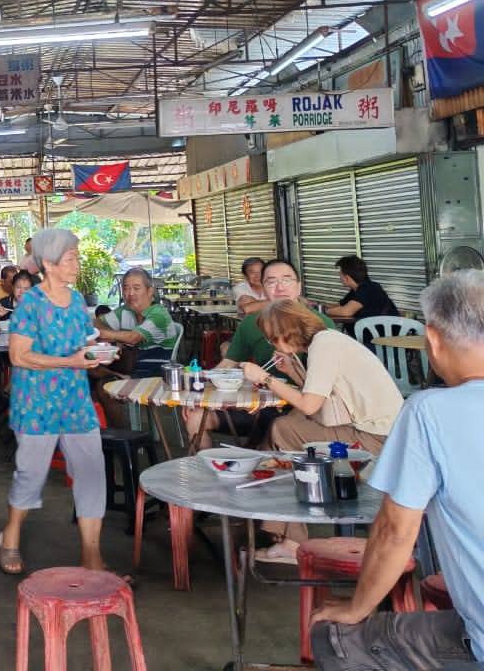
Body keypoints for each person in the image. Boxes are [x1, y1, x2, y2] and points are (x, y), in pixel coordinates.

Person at [311, 271, 484, 671]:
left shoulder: (430, 411)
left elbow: (395, 530)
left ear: (432, 339)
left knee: (334, 637)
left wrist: (356, 608)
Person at [243, 299, 405, 563]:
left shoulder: (325, 345)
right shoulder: (328, 340)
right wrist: (291, 370)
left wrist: (265, 378)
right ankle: (282, 530)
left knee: (283, 430)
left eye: (272, 338)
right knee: (288, 426)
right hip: (380, 431)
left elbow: (310, 404)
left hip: (376, 438)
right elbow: (323, 398)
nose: (272, 344)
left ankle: (289, 538)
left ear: (286, 332)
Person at [0, 228, 107, 576]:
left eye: (76, 257)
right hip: (36, 403)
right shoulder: (30, 304)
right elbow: (18, 356)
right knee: (31, 474)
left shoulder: (76, 301)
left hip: (75, 401)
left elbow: (86, 342)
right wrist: (71, 361)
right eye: (71, 259)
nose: (76, 265)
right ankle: (10, 536)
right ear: (48, 263)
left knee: (91, 472)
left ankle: (91, 554)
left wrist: (97, 354)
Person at [185, 258, 334, 451]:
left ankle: (256, 458)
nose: (280, 287)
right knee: (196, 417)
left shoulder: (320, 324)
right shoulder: (252, 323)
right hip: (257, 405)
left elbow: (325, 391)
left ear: (298, 287)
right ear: (263, 289)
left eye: (286, 280)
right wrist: (198, 395)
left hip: (302, 410)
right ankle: (208, 469)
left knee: (275, 425)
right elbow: (228, 363)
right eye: (271, 282)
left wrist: (270, 377)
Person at [96, 268, 182, 376]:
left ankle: (117, 378)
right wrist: (114, 337)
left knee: (98, 375)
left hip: (156, 375)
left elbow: (133, 338)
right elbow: (97, 322)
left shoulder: (159, 314)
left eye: (136, 288)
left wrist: (106, 334)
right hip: (133, 370)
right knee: (90, 366)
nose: (130, 293)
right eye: (126, 288)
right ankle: (117, 378)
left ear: (150, 291)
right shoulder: (125, 310)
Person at [325, 254, 398, 323]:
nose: (340, 277)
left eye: (340, 274)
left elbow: (346, 312)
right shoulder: (356, 290)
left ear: (347, 277)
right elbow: (340, 305)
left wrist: (325, 311)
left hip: (386, 331)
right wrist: (322, 307)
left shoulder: (368, 288)